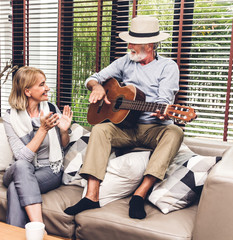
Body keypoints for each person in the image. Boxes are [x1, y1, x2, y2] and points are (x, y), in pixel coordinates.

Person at [64, 15, 183, 219]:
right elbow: (92, 79)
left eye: (134, 43)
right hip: (126, 127)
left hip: (153, 128)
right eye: (130, 41)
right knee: (100, 129)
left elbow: (164, 101)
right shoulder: (125, 61)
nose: (130, 46)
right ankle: (91, 196)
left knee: (175, 132)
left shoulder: (168, 67)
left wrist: (163, 113)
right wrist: (98, 87)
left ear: (151, 44)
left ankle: (140, 194)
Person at [2, 66, 73, 228]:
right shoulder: (10, 118)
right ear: (27, 91)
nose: (47, 88)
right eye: (41, 84)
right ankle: (39, 228)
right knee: (20, 165)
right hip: (19, 169)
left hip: (50, 170)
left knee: (15, 189)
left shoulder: (51, 110)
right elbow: (22, 158)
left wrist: (63, 131)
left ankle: (15, 235)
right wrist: (43, 130)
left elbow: (63, 145)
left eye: (45, 83)